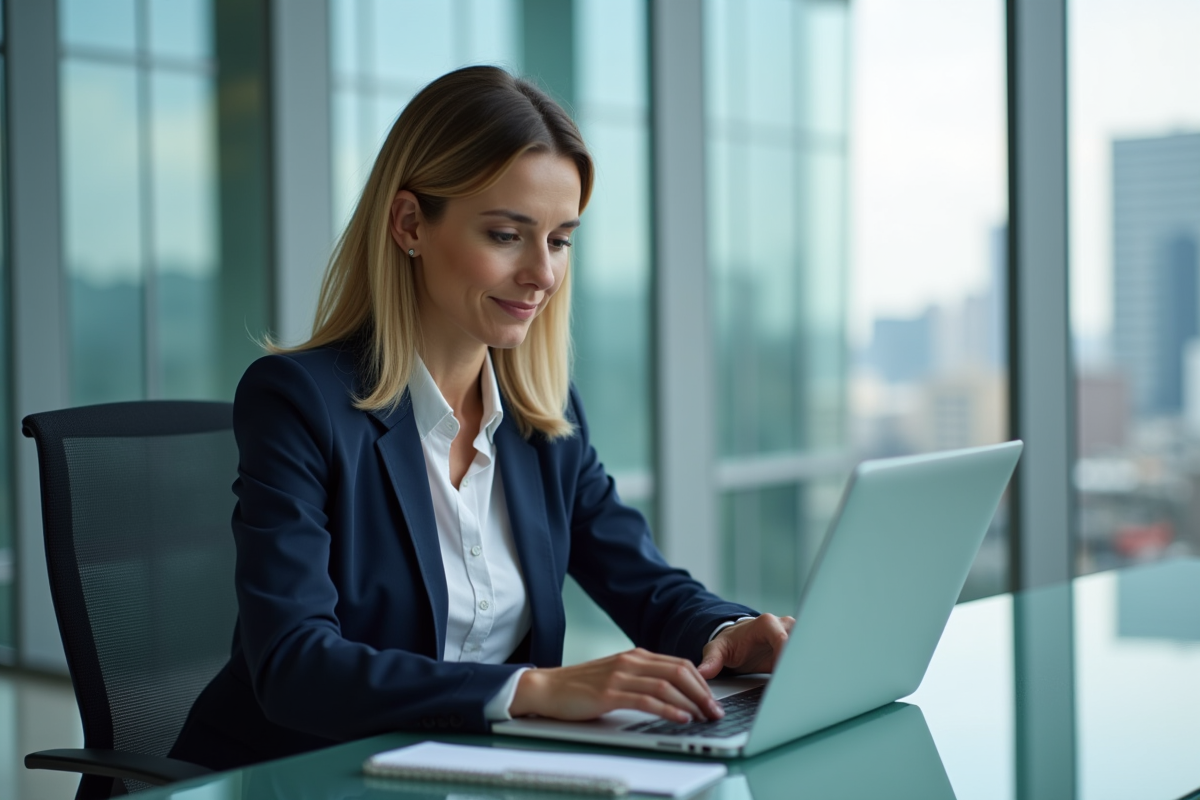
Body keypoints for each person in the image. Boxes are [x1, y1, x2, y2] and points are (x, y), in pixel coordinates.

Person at [171, 65, 795, 771]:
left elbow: (645, 583)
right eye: (507, 235)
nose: (543, 273)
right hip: (293, 778)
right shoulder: (300, 402)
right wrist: (529, 690)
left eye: (560, 239)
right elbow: (294, 665)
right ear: (409, 223)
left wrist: (733, 629)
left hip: (460, 776)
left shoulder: (542, 419)